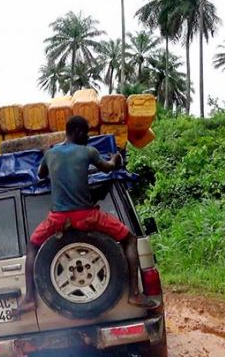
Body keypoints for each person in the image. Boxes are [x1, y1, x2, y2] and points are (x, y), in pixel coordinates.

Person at [19, 115, 158, 314]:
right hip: (86, 216)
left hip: (58, 219)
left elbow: (41, 175)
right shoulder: (88, 152)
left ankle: (30, 298)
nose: (87, 137)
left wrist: (46, 154)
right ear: (77, 132)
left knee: (32, 247)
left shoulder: (50, 154)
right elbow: (108, 168)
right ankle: (134, 293)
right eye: (85, 133)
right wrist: (116, 158)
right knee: (129, 239)